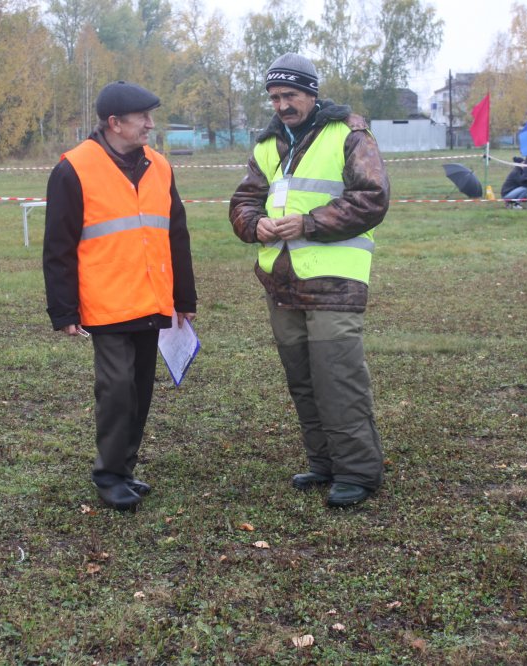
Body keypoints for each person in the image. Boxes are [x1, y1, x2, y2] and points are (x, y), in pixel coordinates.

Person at [229, 53, 390, 508]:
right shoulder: (267, 145)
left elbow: (372, 198)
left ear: (311, 93)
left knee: (337, 377)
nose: (281, 105)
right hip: (281, 282)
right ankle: (323, 463)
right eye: (274, 97)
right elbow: (243, 201)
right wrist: (255, 224)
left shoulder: (349, 134)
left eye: (290, 95)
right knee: (301, 378)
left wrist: (308, 223)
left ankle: (357, 472)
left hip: (335, 282)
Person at [43, 81, 197, 511]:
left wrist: (184, 298)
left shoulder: (160, 166)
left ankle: (124, 470)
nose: (150, 124)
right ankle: (108, 475)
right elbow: (58, 246)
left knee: (140, 390)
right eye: (142, 117)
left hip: (152, 300)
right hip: (106, 303)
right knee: (116, 390)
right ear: (115, 123)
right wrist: (64, 310)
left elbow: (176, 235)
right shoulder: (73, 169)